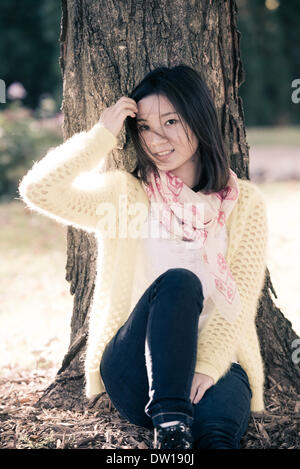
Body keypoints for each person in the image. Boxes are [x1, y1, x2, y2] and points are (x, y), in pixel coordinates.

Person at [18, 65, 268, 449]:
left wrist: (207, 365)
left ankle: (182, 430)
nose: (156, 139)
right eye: (145, 127)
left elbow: (241, 300)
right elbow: (40, 190)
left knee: (217, 435)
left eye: (171, 121)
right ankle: (169, 425)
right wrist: (101, 136)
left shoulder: (245, 205)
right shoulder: (126, 196)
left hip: (216, 363)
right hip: (137, 368)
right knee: (180, 281)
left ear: (199, 119)